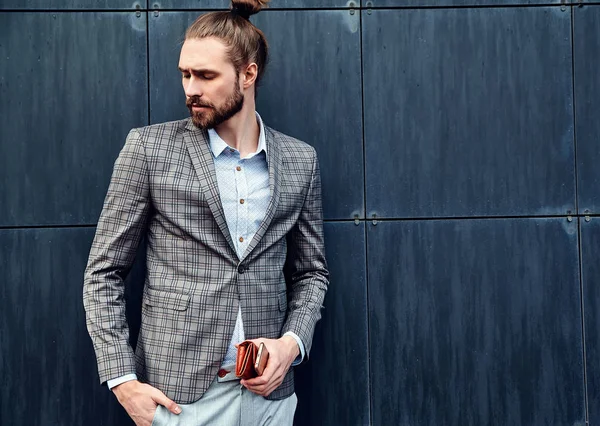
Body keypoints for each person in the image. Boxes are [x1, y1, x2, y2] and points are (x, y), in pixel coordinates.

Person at [82, 0, 329, 424]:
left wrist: (291, 344)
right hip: (178, 401)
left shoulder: (300, 160)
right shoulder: (148, 149)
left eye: (206, 75)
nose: (190, 88)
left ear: (248, 74)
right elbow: (103, 272)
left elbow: (311, 273)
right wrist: (122, 381)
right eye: (185, 73)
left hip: (269, 401)